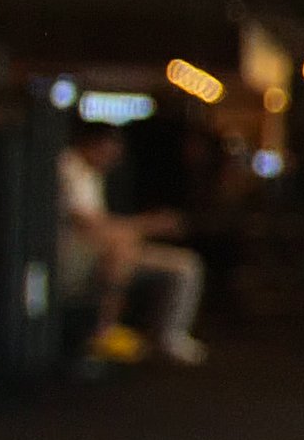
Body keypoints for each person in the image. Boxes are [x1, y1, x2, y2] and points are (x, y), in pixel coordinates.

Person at [57, 121, 202, 365]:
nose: (114, 158)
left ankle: (168, 337)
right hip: (70, 258)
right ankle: (103, 331)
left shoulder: (92, 173)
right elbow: (89, 225)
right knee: (121, 246)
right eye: (110, 149)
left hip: (95, 252)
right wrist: (149, 225)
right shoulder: (69, 167)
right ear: (94, 144)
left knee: (185, 266)